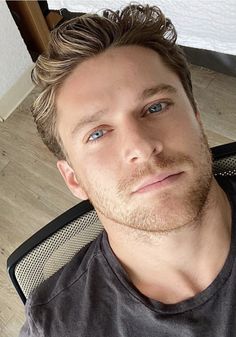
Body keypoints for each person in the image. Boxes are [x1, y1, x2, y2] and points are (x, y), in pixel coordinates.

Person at [19, 3, 236, 337]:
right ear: (74, 178)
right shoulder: (56, 325)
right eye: (97, 133)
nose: (140, 146)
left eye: (155, 107)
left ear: (196, 118)